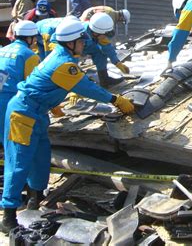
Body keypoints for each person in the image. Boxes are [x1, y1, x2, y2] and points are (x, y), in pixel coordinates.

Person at [0, 19, 134, 233]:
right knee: (19, 163)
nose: (84, 43)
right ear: (71, 42)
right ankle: (8, 216)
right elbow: (87, 87)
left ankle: (36, 199)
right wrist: (115, 100)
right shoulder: (63, 63)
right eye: (82, 40)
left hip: (37, 112)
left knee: (41, 157)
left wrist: (52, 103)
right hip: (23, 113)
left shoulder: (61, 56)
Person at [36, 15, 130, 87]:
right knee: (50, 62)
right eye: (104, 35)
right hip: (44, 37)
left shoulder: (99, 34)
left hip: (73, 41)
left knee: (99, 51)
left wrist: (117, 62)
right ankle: (52, 84)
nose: (105, 38)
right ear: (95, 32)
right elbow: (54, 40)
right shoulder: (76, 31)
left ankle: (104, 79)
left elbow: (107, 47)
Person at [0, 21, 40, 143]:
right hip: (10, 101)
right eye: (34, 38)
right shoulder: (29, 55)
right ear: (29, 38)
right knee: (12, 142)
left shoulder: (2, 50)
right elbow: (33, 86)